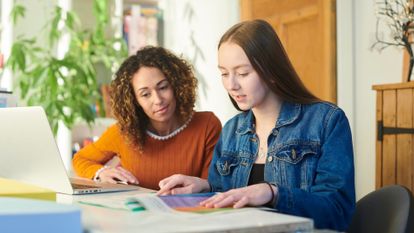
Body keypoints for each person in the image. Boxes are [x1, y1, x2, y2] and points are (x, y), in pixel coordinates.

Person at [157, 20, 355, 231]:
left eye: (242, 73)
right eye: (224, 73)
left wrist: (273, 192)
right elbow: (226, 198)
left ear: (270, 70)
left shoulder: (327, 121)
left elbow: (337, 213)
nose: (231, 85)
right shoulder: (232, 130)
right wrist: (204, 187)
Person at [72, 46, 222, 190]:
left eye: (163, 87)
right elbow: (80, 159)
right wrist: (101, 172)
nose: (157, 100)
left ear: (176, 85)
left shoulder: (207, 125)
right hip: (135, 214)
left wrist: (202, 185)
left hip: (191, 213)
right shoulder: (123, 132)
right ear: (134, 100)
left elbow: (214, 185)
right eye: (145, 94)